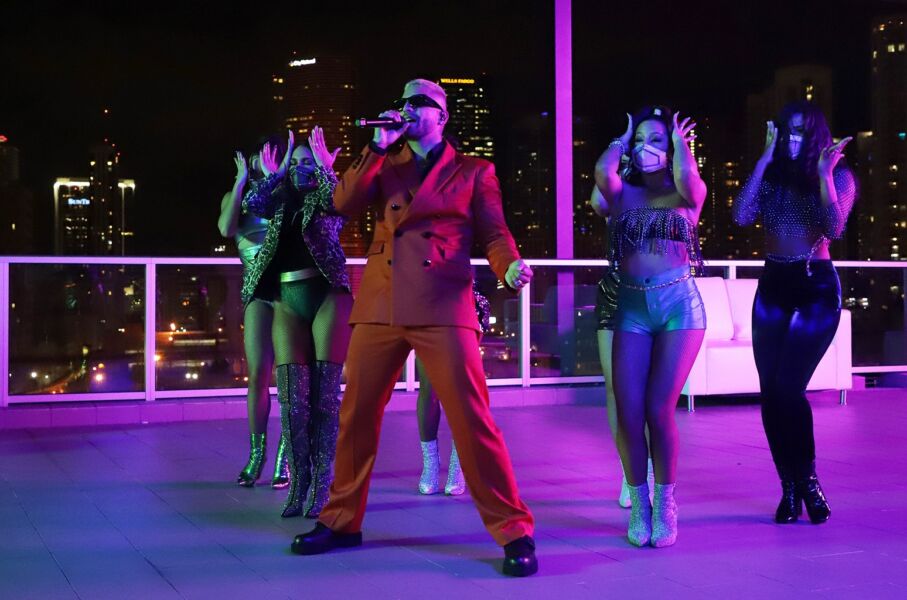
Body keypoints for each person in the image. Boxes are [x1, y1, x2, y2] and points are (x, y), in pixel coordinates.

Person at [290, 79, 538, 577]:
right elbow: (342, 203)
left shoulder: (474, 170)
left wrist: (508, 266)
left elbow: (494, 232)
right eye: (403, 101)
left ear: (442, 116)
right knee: (356, 415)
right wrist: (376, 147)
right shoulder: (384, 160)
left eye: (420, 102)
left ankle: (514, 530)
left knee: (471, 418)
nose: (407, 108)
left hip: (443, 300)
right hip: (381, 301)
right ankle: (341, 520)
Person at [733, 101, 856, 525]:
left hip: (814, 286)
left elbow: (835, 227)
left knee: (788, 389)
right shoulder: (772, 174)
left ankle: (809, 483)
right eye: (787, 130)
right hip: (773, 287)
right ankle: (788, 488)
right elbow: (741, 214)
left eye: (800, 131)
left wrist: (823, 175)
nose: (791, 138)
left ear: (816, 135)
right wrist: (763, 159)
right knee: (771, 393)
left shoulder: (839, 174)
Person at [594, 106, 707, 548]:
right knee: (628, 410)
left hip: (679, 307)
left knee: (659, 410)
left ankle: (666, 503)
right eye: (641, 140)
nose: (646, 148)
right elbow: (603, 174)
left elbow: (690, 179)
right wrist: (621, 141)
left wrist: (678, 143)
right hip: (630, 307)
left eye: (655, 140)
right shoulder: (622, 193)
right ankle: (639, 503)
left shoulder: (685, 192)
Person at [242, 126, 353, 518]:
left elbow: (338, 202)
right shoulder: (280, 200)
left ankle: (322, 485)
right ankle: (298, 483)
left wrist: (326, 169)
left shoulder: (327, 196)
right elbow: (254, 202)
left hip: (328, 296)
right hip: (287, 299)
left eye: (309, 162)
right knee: (293, 401)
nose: (302, 168)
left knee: (324, 397)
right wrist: (277, 172)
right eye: (297, 162)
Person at [218, 148, 286, 489]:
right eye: (262, 154)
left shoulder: (286, 191)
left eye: (275, 153)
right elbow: (225, 229)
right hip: (257, 294)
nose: (266, 159)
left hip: (290, 291)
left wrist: (277, 179)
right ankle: (256, 455)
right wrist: (240, 181)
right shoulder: (239, 197)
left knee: (290, 379)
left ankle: (284, 460)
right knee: (258, 374)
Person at [588, 186, 654, 508]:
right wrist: (619, 158)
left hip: (655, 289)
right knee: (615, 387)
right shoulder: (617, 188)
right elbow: (597, 202)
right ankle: (630, 472)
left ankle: (649, 469)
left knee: (648, 391)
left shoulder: (667, 188)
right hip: (615, 289)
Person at [416, 283, 491, 496]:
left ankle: (458, 464)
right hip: (427, 297)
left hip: (464, 298)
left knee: (461, 388)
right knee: (429, 387)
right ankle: (430, 464)